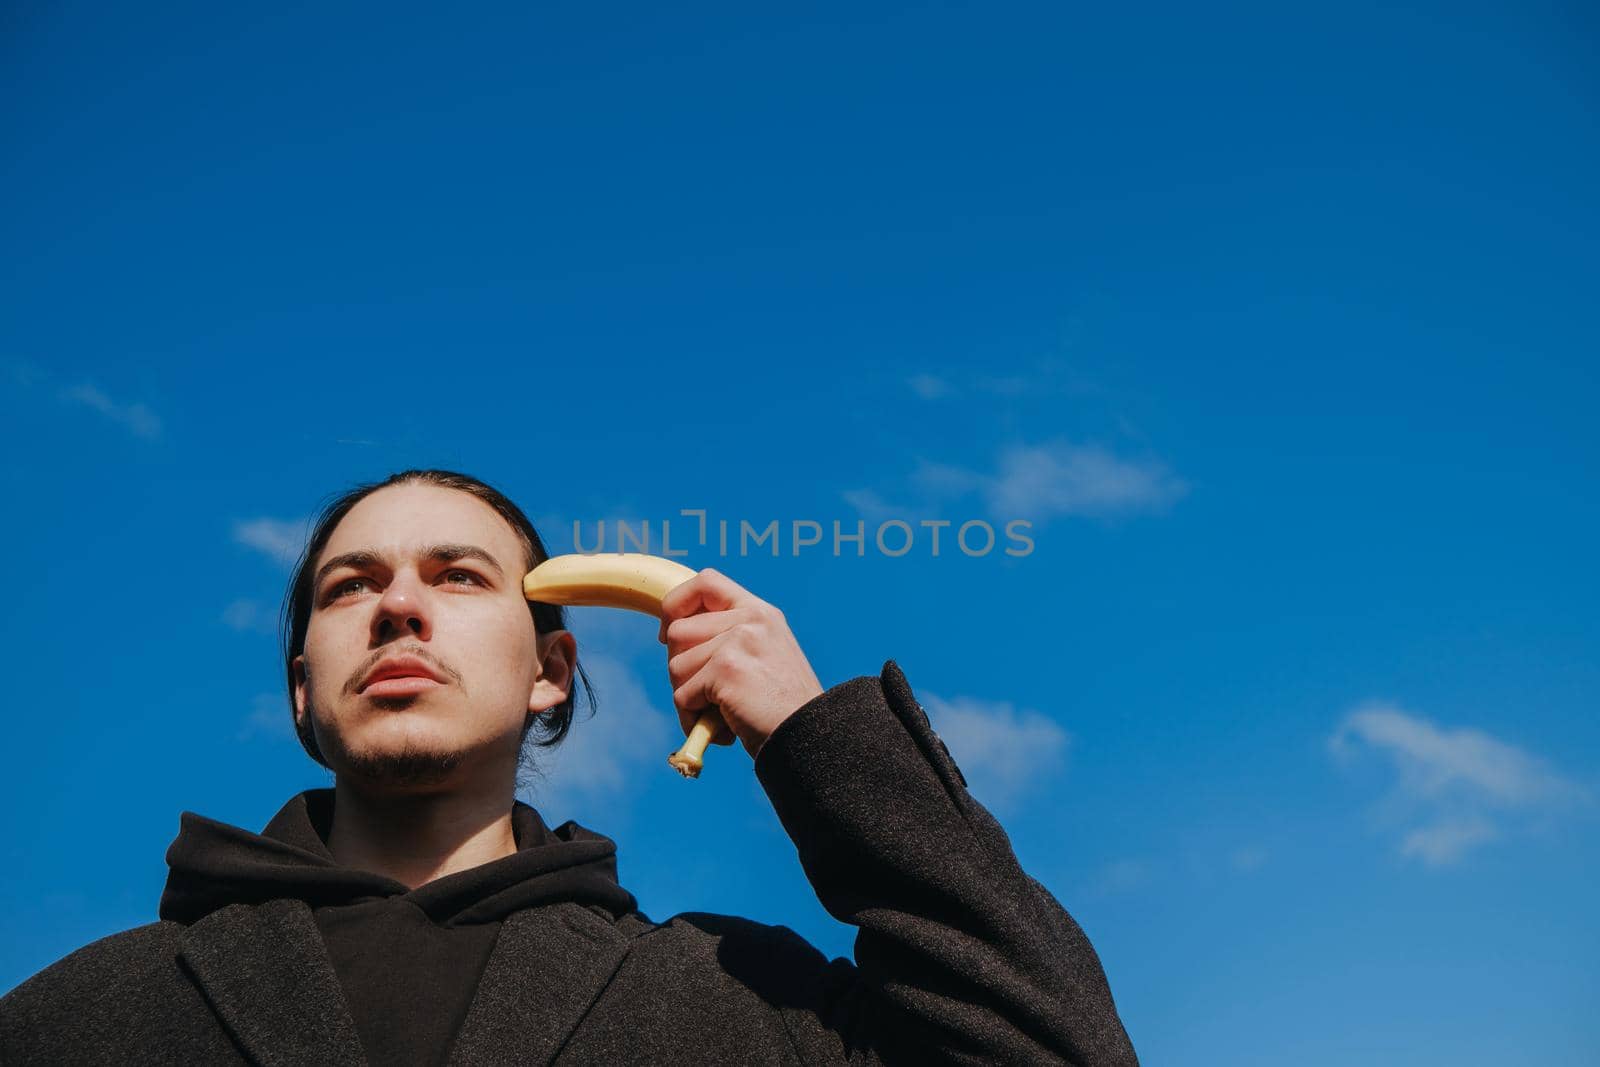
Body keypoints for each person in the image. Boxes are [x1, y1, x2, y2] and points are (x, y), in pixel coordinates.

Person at [0, 469, 1139, 1065]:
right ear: (303, 686)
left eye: (456, 575)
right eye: (349, 586)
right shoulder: (74, 1014)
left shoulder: (738, 997)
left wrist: (811, 731)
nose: (397, 603)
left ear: (552, 668)